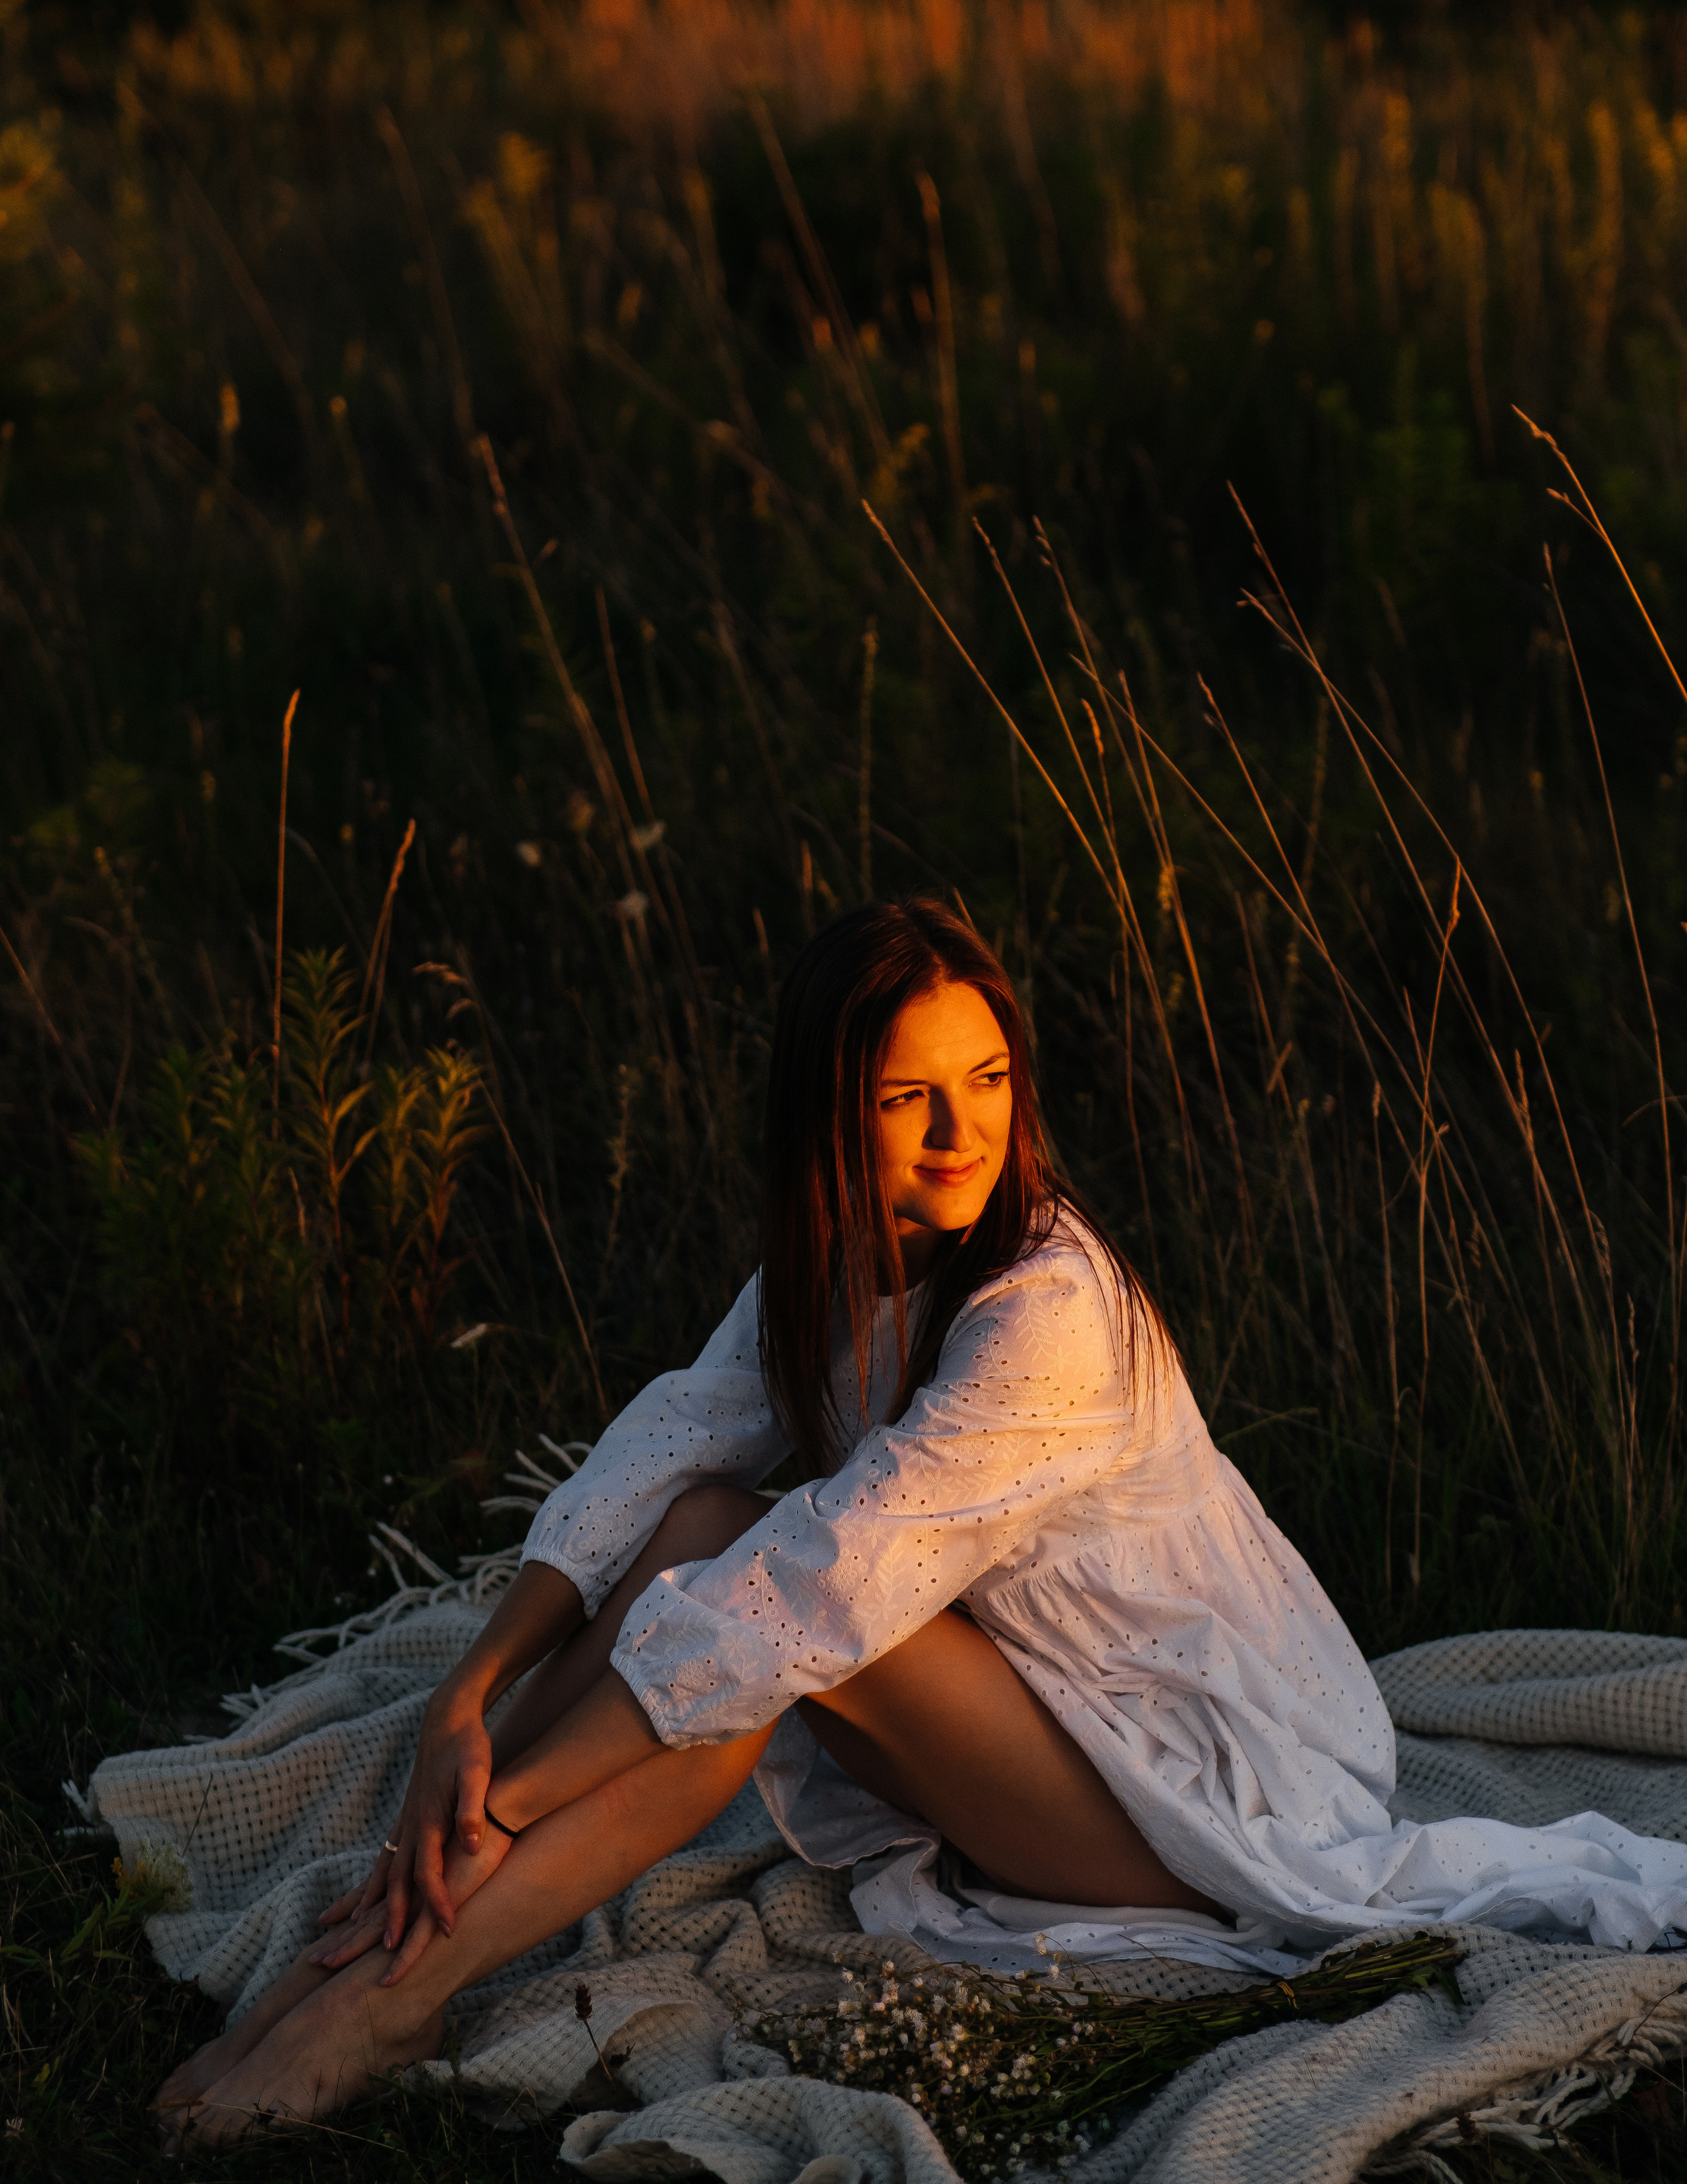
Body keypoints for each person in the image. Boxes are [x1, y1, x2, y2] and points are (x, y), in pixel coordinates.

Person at [152, 894, 1687, 2146]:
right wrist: (463, 1704)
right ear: (834, 1109)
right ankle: (423, 1902)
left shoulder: (1048, 1307)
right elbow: (659, 1453)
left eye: (987, 1083)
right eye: (905, 1097)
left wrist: (498, 1803)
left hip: (1193, 1791)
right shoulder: (843, 1263)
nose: (957, 1133)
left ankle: (396, 1969)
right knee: (698, 1513)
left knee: (798, 1629)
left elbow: (813, 1592)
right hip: (1046, 1730)